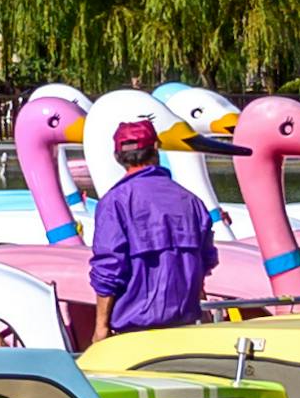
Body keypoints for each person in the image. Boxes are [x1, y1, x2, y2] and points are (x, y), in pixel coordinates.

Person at [85, 109, 217, 342]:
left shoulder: (114, 202)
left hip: (134, 334)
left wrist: (100, 328)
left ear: (117, 156)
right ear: (155, 148)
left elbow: (109, 267)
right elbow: (206, 259)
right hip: (185, 329)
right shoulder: (191, 201)